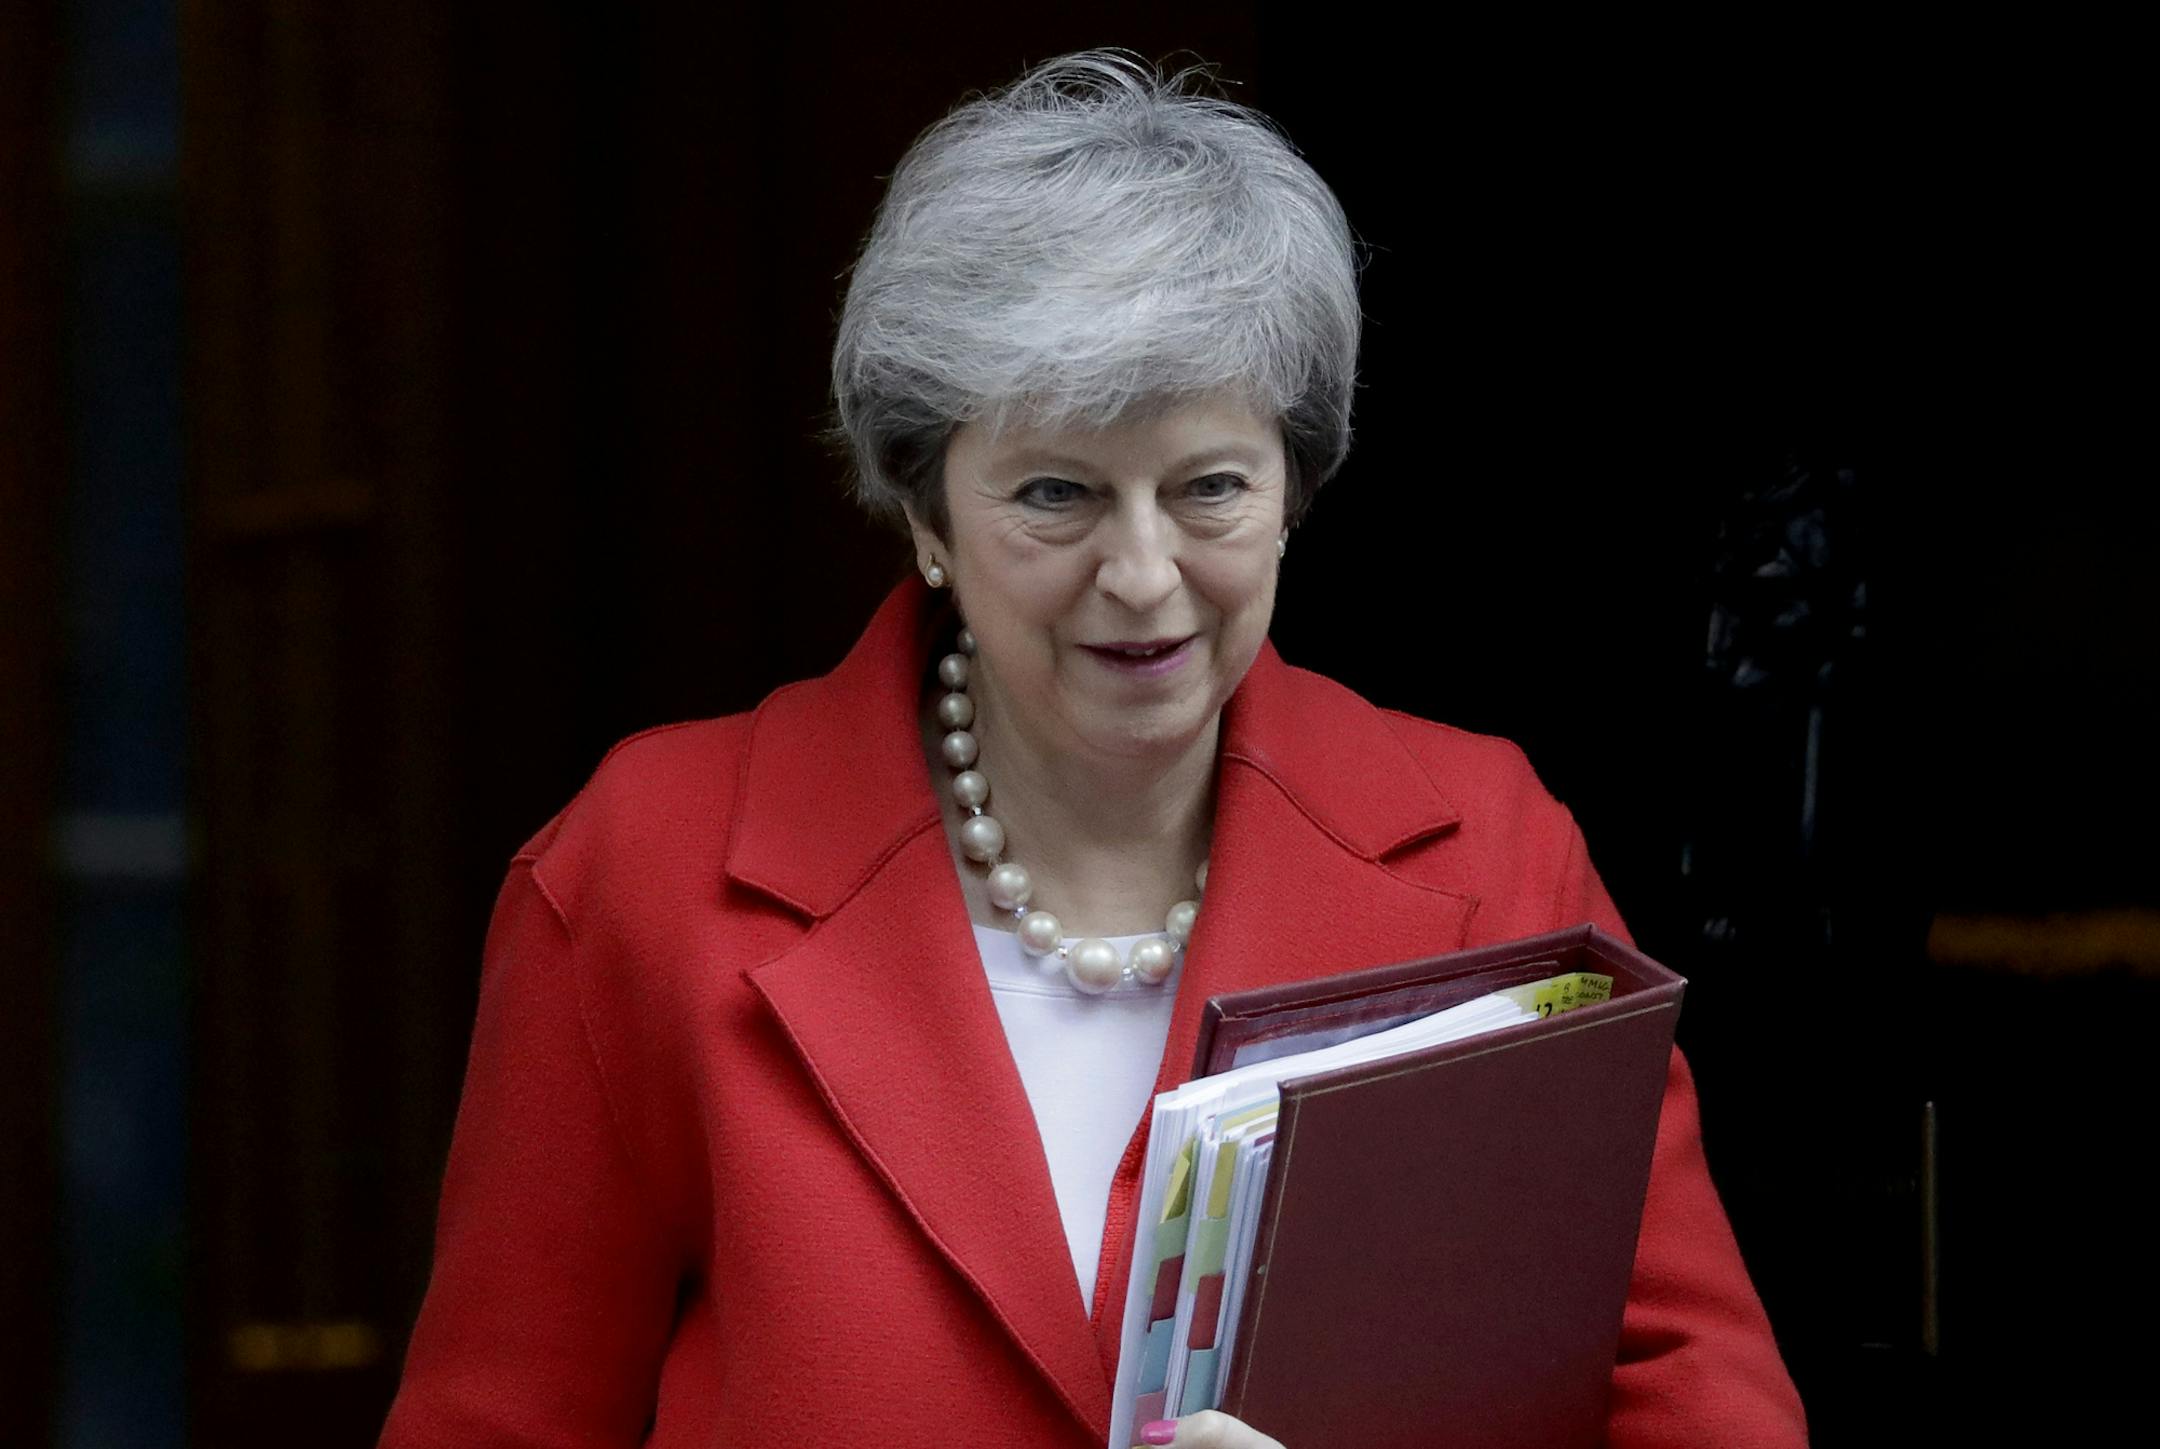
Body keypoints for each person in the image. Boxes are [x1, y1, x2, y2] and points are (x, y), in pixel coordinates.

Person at [378, 51, 1807, 1449]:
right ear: (924, 512)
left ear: (1295, 488)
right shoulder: (645, 870)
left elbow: (1698, 1403)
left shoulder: (1487, 845)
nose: (1141, 572)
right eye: (1057, 492)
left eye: (1210, 489)